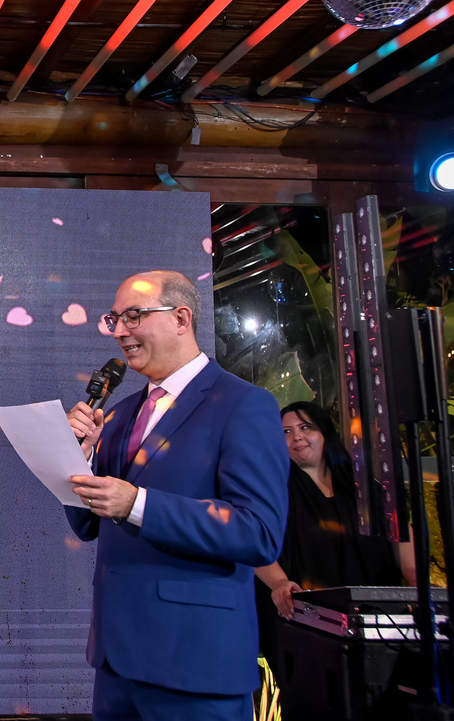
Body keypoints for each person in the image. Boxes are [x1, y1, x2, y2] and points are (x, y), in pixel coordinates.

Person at [65, 271, 290, 721]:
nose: (119, 331)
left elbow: (258, 532)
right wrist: (80, 459)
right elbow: (87, 526)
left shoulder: (243, 404)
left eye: (134, 316)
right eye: (114, 319)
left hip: (194, 661)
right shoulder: (119, 413)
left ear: (182, 318)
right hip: (115, 662)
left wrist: (138, 504)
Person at [255, 401, 414, 666]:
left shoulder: (366, 487)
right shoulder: (270, 490)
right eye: (286, 432)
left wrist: (417, 582)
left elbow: (401, 535)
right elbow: (252, 541)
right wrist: (279, 583)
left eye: (305, 427)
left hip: (376, 619)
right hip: (302, 619)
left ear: (324, 432)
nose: (297, 437)